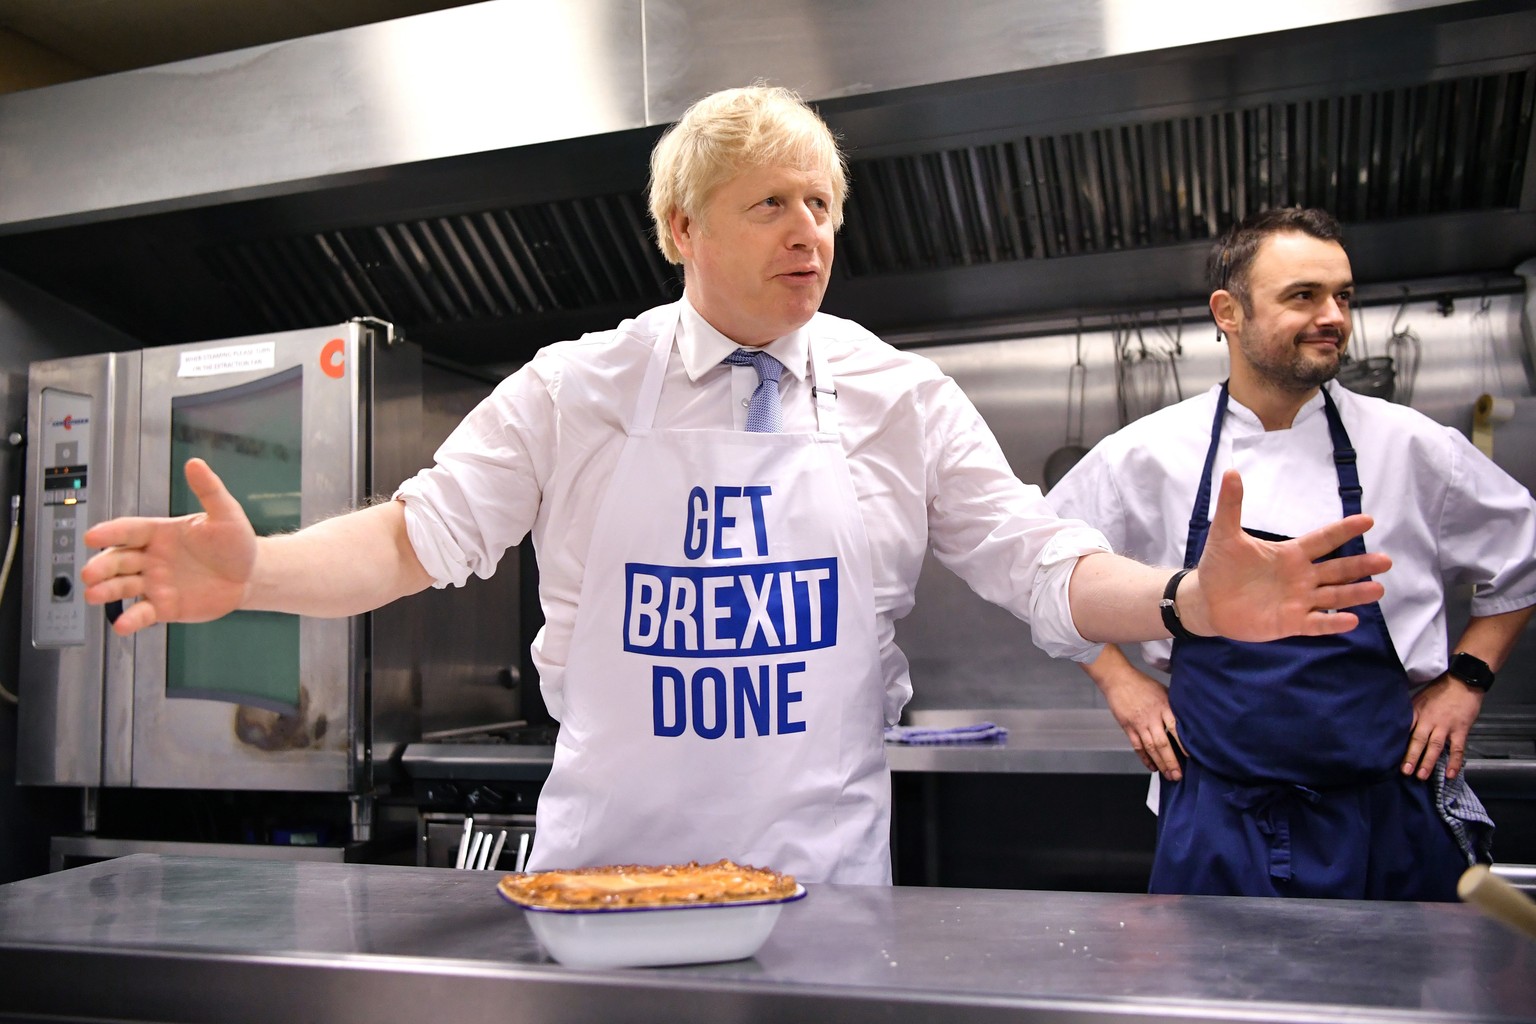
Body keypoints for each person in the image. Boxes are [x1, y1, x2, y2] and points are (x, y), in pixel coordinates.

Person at [80, 89, 1388, 885]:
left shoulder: (897, 395)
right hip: (603, 884)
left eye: (823, 202)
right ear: (681, 230)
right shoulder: (578, 386)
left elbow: (1040, 563)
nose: (810, 231)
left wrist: (1183, 602)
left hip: (820, 890)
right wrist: (257, 577)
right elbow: (416, 539)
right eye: (770, 203)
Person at [1049, 206, 1536, 901]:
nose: (1334, 315)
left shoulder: (1413, 446)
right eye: (1303, 296)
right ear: (1229, 312)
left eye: (1344, 296)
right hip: (1217, 817)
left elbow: (1525, 555)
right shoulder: (1146, 455)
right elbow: (1039, 571)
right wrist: (1118, 680)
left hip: (1386, 815)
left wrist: (1467, 681)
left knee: (1392, 1009)